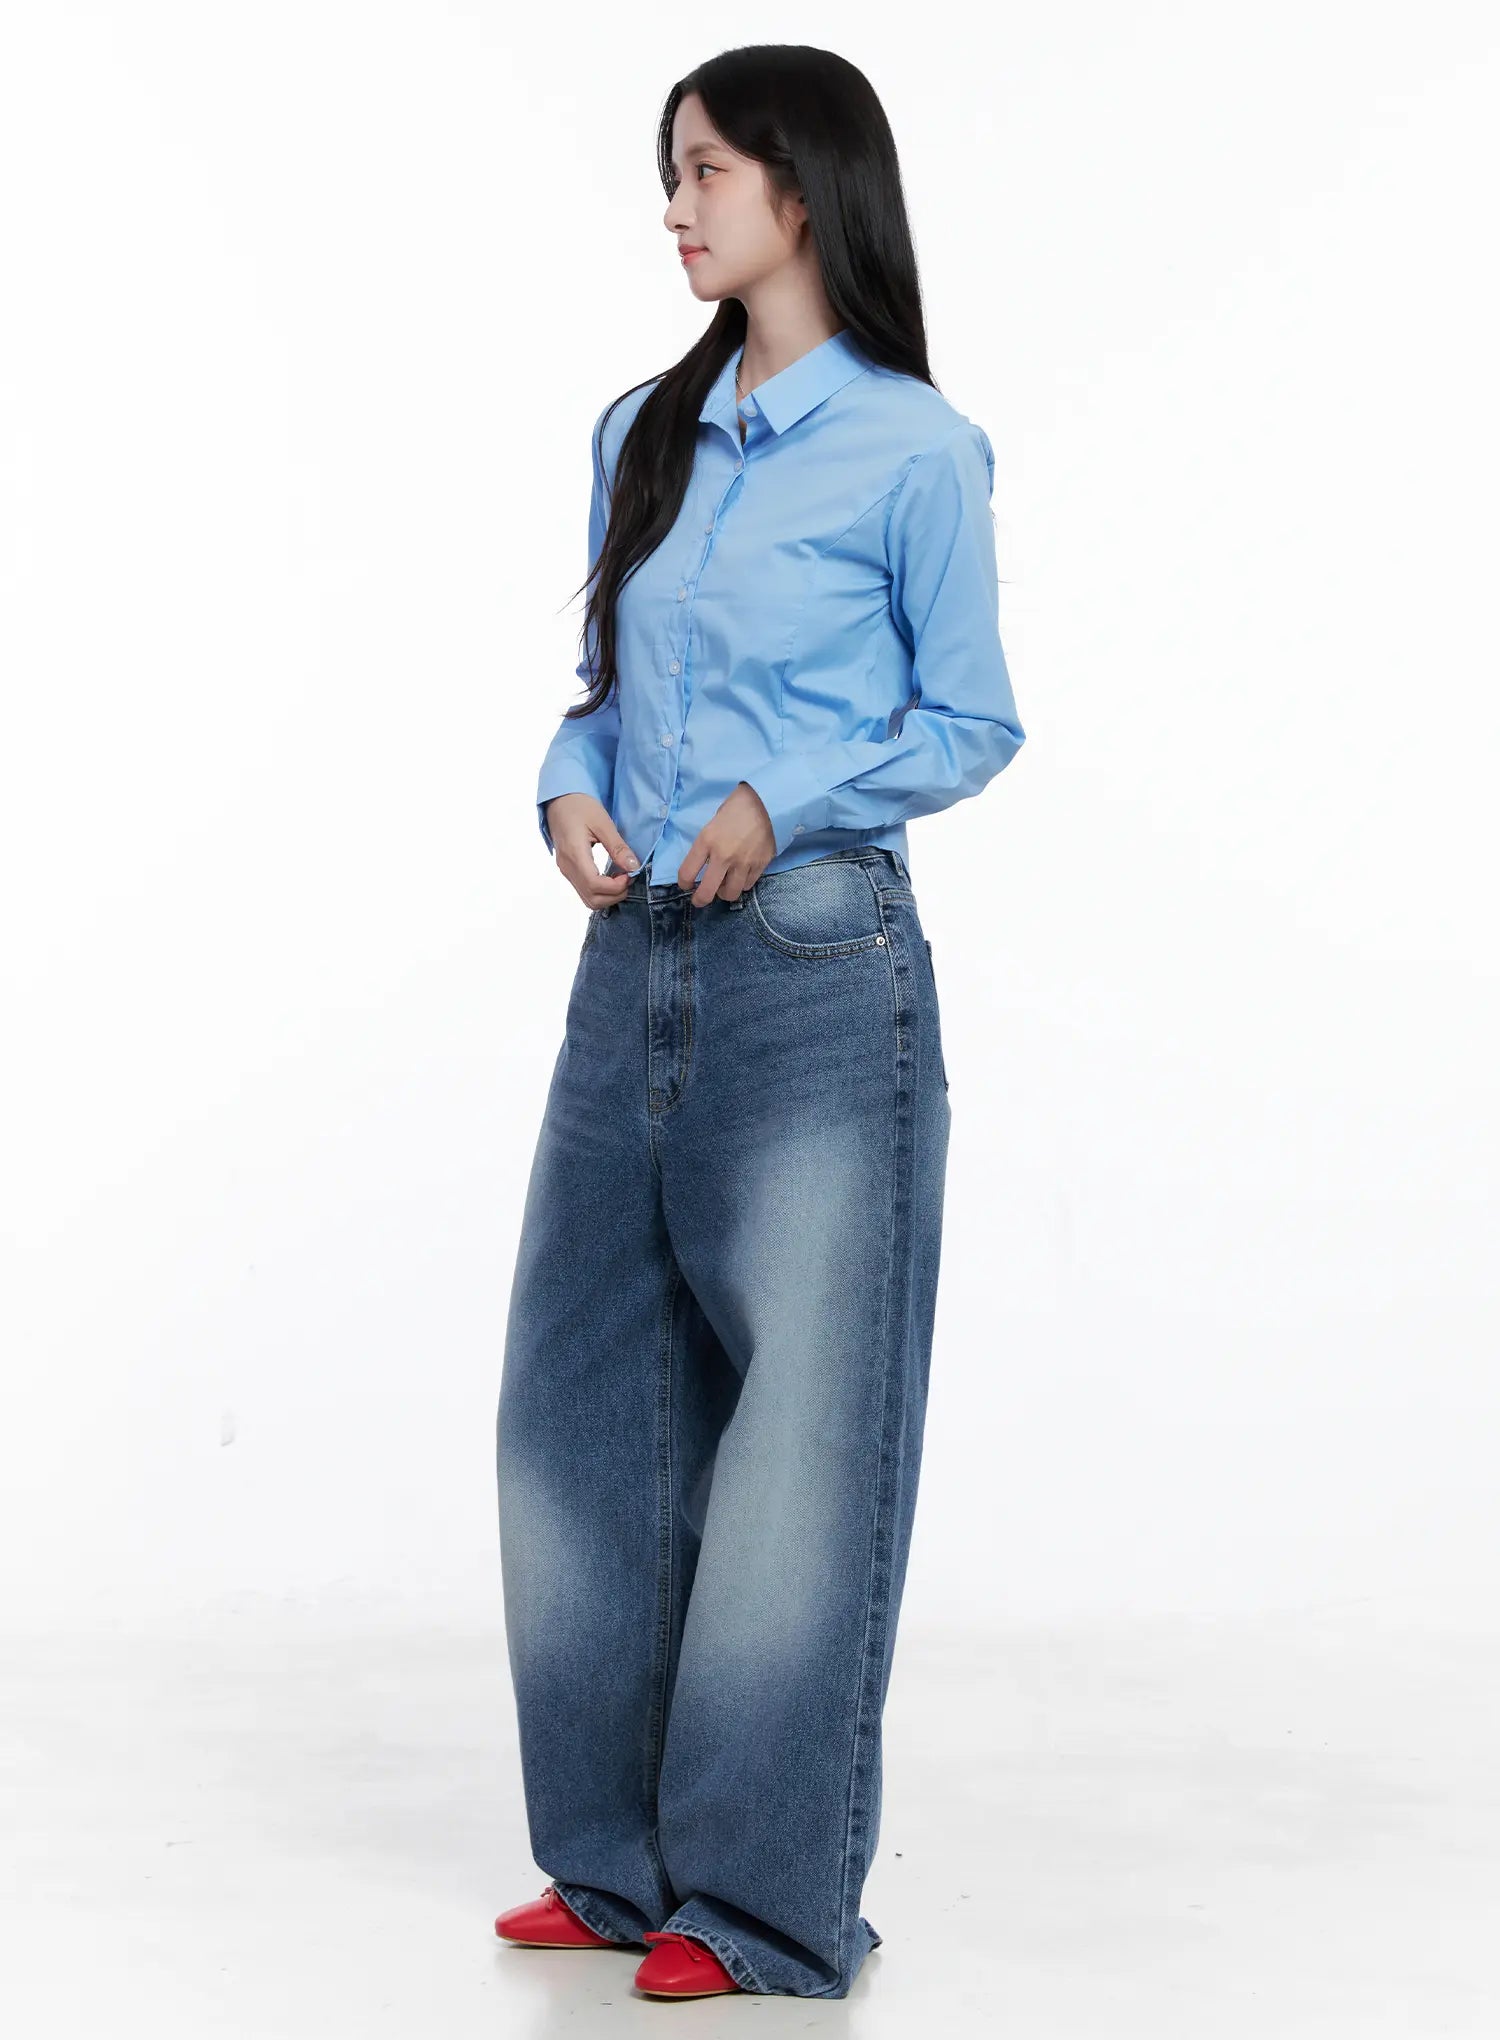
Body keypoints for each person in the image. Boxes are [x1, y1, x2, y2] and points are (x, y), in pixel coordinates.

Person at [493, 42, 1025, 2002]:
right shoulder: (642, 428)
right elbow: (603, 692)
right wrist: (567, 785)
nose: (677, 204)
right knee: (578, 1409)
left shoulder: (915, 450)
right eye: (673, 169)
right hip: (628, 959)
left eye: (707, 169)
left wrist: (776, 804)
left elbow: (972, 721)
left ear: (806, 189)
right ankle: (615, 1868)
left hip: (813, 969)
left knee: (801, 1438)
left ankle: (763, 1901)